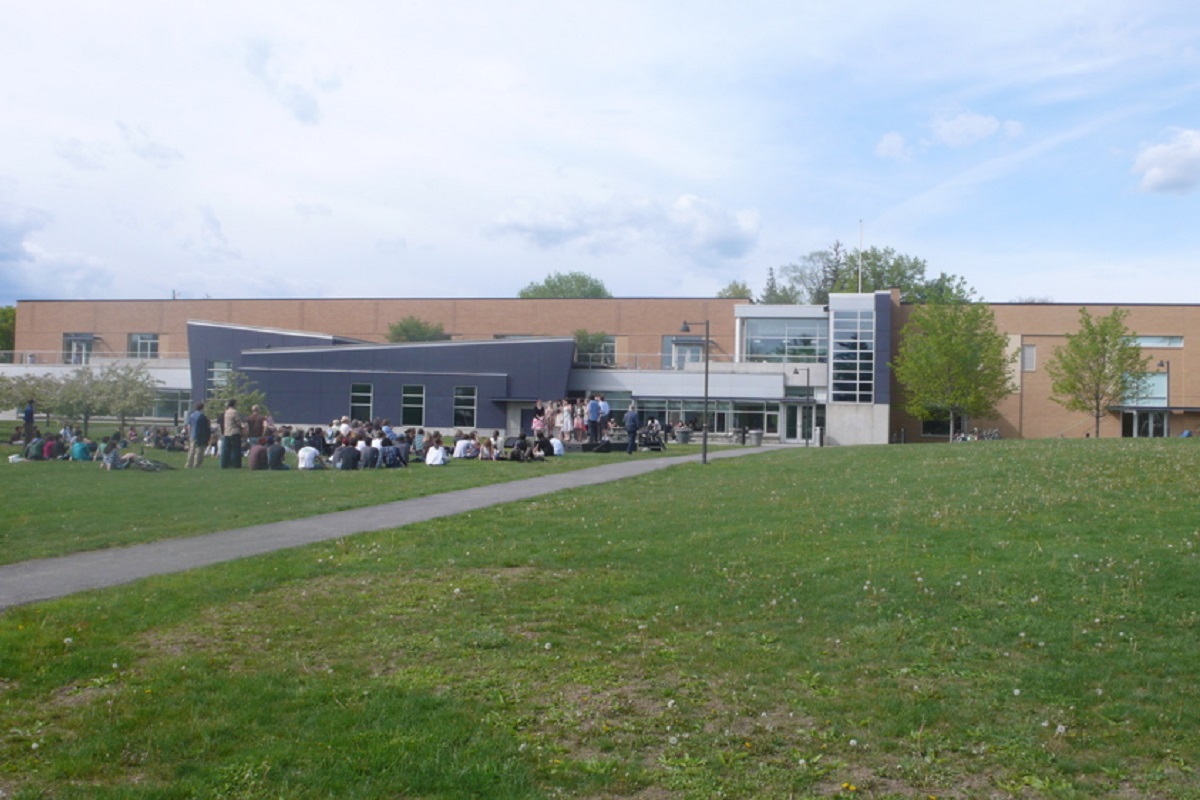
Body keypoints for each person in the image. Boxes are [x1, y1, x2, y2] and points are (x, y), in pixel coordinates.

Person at [185, 401, 211, 469]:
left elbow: (189, 426)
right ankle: (197, 464)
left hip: (192, 435)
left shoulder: (192, 415)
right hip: (200, 435)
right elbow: (206, 427)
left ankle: (188, 464)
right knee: (199, 450)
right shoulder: (202, 417)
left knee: (191, 450)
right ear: (202, 408)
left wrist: (190, 433)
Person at [220, 399, 244, 469]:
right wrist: (242, 428)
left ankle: (224, 464)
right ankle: (236, 464)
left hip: (226, 432)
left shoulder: (226, 412)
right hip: (234, 432)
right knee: (235, 449)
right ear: (234, 404)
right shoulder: (235, 412)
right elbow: (238, 423)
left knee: (226, 450)